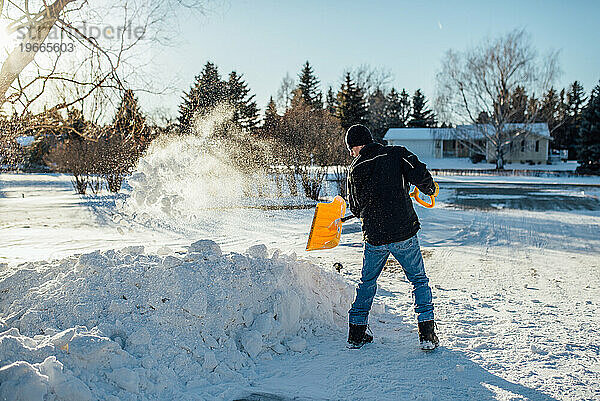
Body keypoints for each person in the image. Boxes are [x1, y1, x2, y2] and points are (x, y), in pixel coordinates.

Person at [344, 124, 439, 350]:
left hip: (374, 236)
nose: (351, 154)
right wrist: (429, 188)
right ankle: (427, 333)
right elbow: (420, 173)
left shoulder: (355, 169)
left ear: (357, 146)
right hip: (402, 231)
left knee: (367, 282)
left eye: (351, 149)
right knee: (418, 280)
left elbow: (356, 208)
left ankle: (356, 334)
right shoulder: (396, 153)